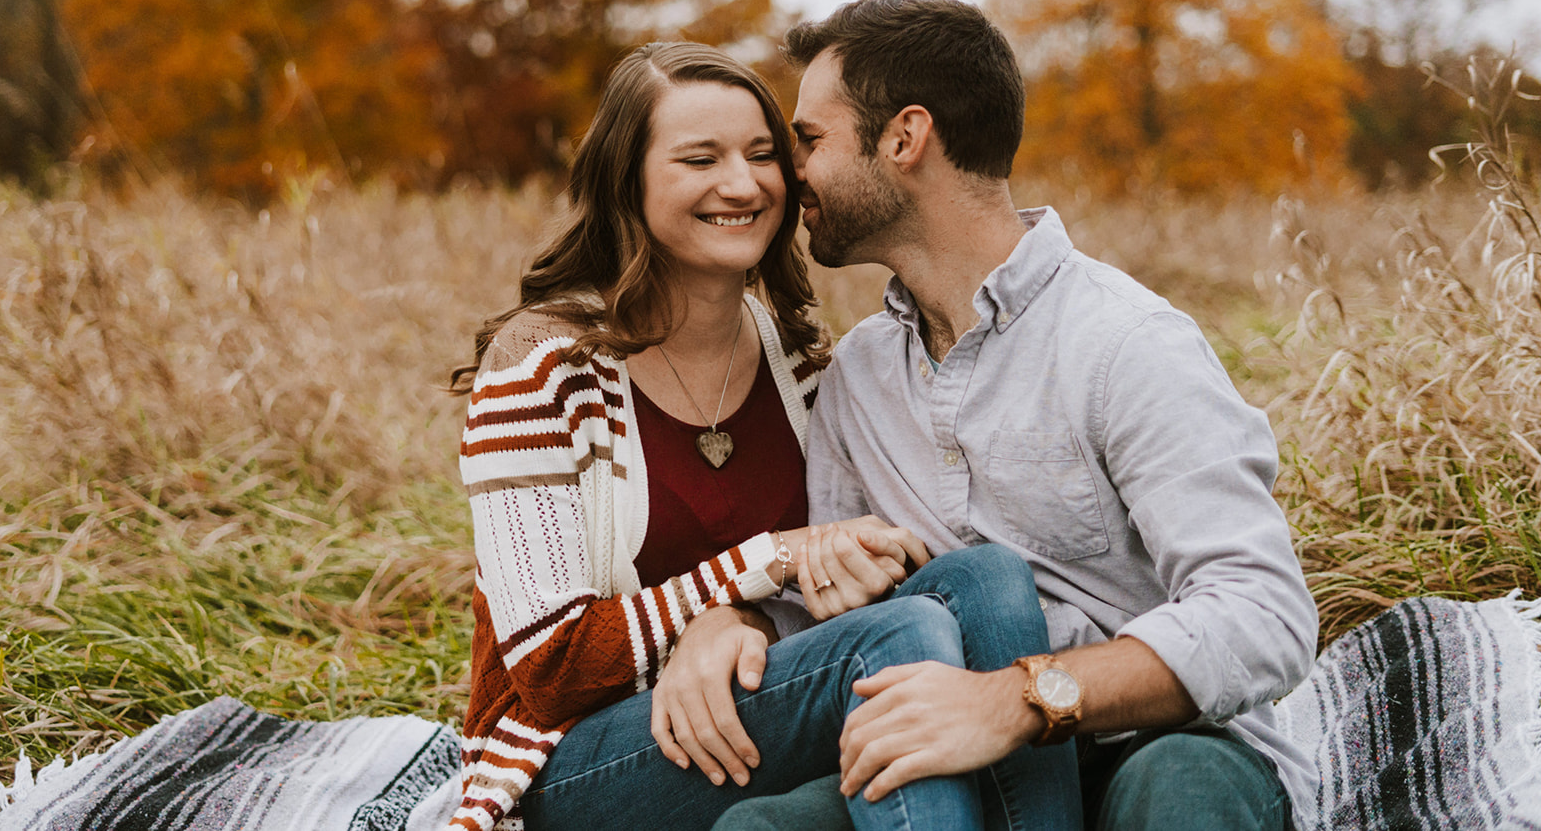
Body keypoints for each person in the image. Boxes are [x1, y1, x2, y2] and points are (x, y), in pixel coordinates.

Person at [697, 0, 1320, 831]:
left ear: (904, 138)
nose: (789, 171)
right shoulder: (857, 378)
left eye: (809, 140)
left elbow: (1264, 616)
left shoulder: (1124, 342)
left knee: (1176, 790)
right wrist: (728, 620)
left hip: (1152, 740)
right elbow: (830, 613)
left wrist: (1022, 699)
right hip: (955, 755)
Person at [446, 41, 1077, 831]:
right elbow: (551, 668)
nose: (741, 184)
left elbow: (832, 583)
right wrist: (756, 568)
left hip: (748, 706)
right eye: (699, 159)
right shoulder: (544, 368)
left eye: (761, 154)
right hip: (572, 765)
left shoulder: (799, 361)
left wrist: (739, 619)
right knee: (903, 636)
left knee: (984, 579)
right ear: (628, 181)